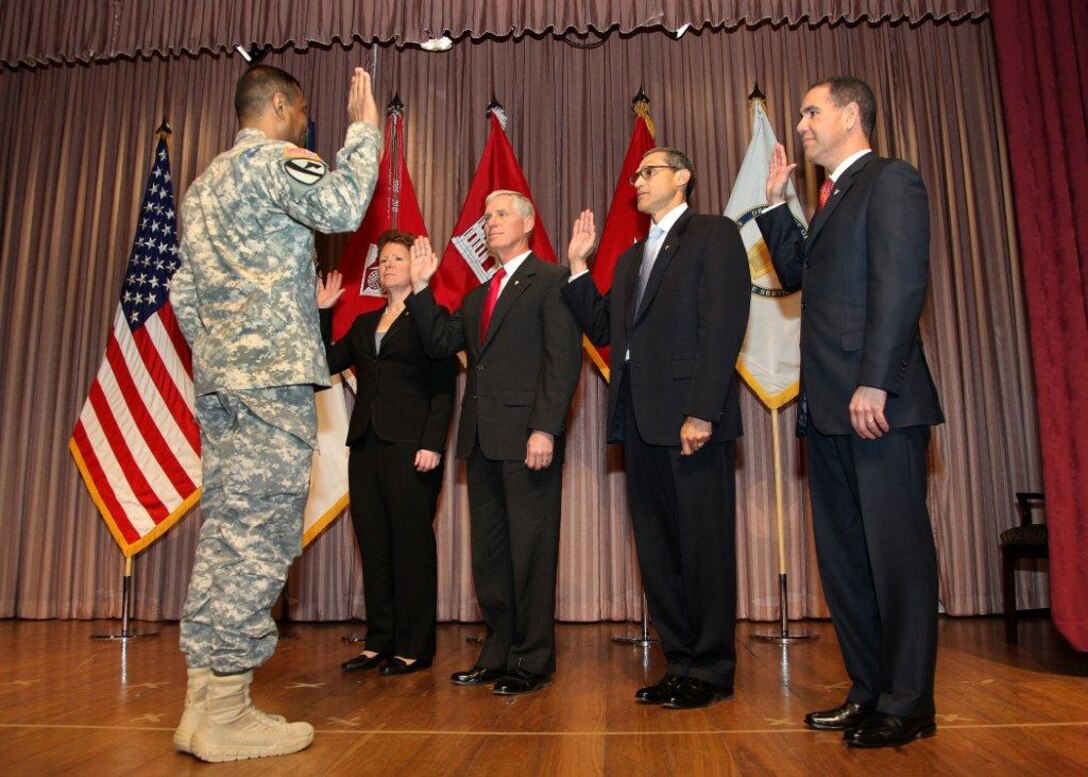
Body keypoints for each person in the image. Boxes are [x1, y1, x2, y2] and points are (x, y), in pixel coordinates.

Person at [169, 64, 380, 762]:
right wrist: (366, 129)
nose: (306, 124)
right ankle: (225, 710)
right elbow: (345, 205)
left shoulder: (203, 187)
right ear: (282, 107)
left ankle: (202, 705)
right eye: (304, 113)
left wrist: (223, 351)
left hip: (223, 384)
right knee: (257, 541)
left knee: (227, 536)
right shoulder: (275, 160)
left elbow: (181, 293)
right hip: (268, 387)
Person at [756, 76, 944, 748]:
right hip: (829, 409)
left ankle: (909, 701)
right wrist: (779, 203)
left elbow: (901, 285)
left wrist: (877, 384)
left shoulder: (891, 179)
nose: (801, 125)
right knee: (846, 561)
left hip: (876, 406)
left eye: (811, 111)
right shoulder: (829, 198)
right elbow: (796, 273)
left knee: (894, 555)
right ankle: (868, 690)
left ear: (851, 113)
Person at [562, 148, 750, 709]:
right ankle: (681, 663)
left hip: (691, 419)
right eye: (636, 175)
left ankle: (713, 670)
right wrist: (577, 266)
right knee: (660, 552)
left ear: (683, 176)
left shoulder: (712, 234)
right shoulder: (628, 259)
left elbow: (722, 324)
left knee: (702, 548)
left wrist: (702, 410)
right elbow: (603, 328)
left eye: (649, 172)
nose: (637, 181)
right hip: (640, 422)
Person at [405, 190, 582, 695]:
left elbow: (562, 361)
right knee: (490, 557)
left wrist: (545, 427)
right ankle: (498, 651)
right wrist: (421, 287)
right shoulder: (478, 294)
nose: (490, 223)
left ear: (528, 223)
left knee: (531, 552)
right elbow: (441, 343)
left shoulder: (552, 279)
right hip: (481, 441)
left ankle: (532, 660)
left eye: (501, 214)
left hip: (529, 438)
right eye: (486, 217)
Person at [315, 230, 456, 677]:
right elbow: (322, 365)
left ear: (415, 265)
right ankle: (379, 642)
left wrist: (433, 442)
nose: (388, 265)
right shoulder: (361, 325)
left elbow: (443, 388)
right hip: (367, 445)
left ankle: (414, 647)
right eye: (384, 260)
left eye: (398, 258)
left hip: (413, 446)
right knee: (373, 543)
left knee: (410, 545)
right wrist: (321, 315)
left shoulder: (430, 319)